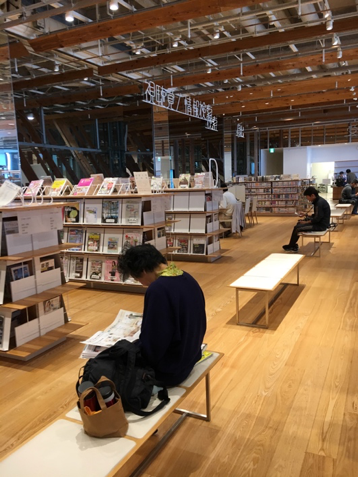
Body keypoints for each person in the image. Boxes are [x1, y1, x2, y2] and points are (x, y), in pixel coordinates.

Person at [117, 244, 207, 386]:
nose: (141, 284)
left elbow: (154, 341)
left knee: (114, 360)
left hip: (170, 371)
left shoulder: (158, 289)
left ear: (143, 271)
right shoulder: (186, 277)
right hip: (190, 356)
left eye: (137, 278)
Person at [282, 186, 331, 252]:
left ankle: (292, 246)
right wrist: (306, 214)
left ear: (312, 195)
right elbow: (317, 215)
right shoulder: (319, 201)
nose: (307, 199)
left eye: (307, 197)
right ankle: (292, 245)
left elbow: (317, 218)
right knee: (299, 224)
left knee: (297, 227)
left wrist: (306, 222)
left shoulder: (319, 203)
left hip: (321, 225)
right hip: (320, 223)